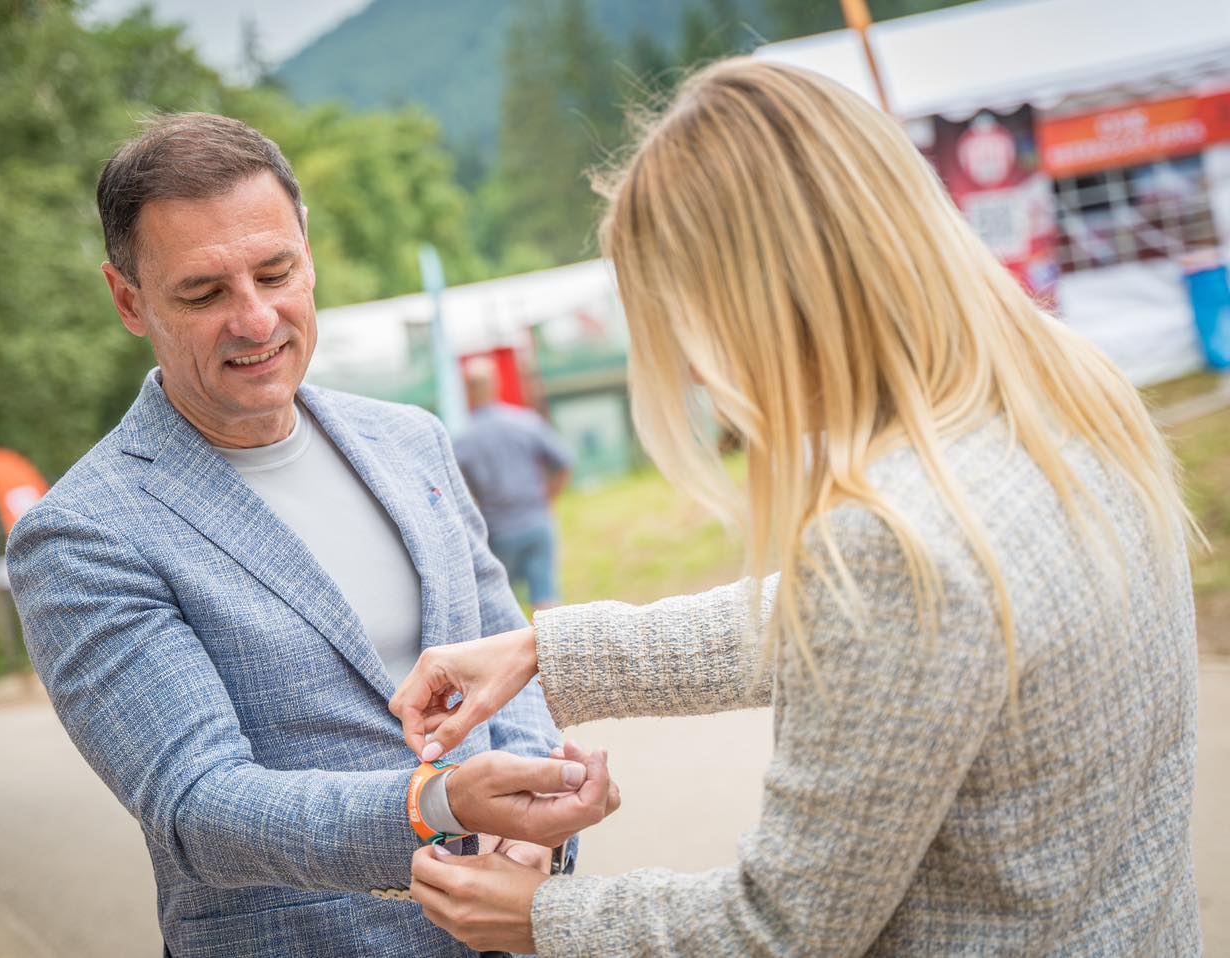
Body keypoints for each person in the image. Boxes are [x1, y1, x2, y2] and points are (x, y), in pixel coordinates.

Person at [389, 59, 1200, 956]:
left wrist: (542, 919)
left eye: (686, 322)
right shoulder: (1062, 400)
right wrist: (552, 651)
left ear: (765, 300)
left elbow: (780, 930)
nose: (696, 372)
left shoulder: (896, 547)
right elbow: (881, 642)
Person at [5, 113, 611, 958]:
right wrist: (436, 806)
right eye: (204, 292)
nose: (255, 320)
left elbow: (508, 662)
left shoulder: (413, 440)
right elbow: (200, 808)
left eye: (275, 272)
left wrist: (537, 824)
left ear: (309, 256)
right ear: (128, 301)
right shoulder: (81, 535)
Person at [453, 358, 574, 609]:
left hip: (498, 533)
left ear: (467, 391)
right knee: (546, 598)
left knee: (504, 607)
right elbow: (564, 462)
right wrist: (548, 498)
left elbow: (459, 493)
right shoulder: (526, 422)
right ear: (496, 384)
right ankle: (555, 647)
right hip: (537, 523)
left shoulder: (463, 441)